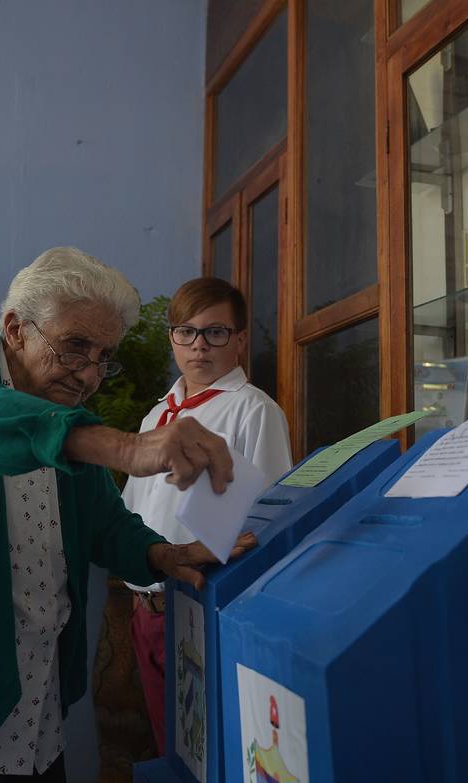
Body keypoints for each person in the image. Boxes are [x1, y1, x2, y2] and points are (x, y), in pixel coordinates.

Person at [0, 248, 256, 782]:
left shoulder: (66, 414)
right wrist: (127, 447)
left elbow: (104, 521)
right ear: (15, 329)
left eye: (103, 357)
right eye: (75, 347)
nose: (88, 374)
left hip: (31, 704)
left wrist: (162, 553)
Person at [121, 276, 292, 754]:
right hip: (144, 608)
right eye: (187, 332)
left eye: (215, 332)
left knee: (205, 751)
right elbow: (134, 506)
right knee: (168, 748)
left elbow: (268, 521)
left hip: (201, 604)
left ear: (240, 340)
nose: (199, 345)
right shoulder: (157, 415)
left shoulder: (253, 411)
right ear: (172, 339)